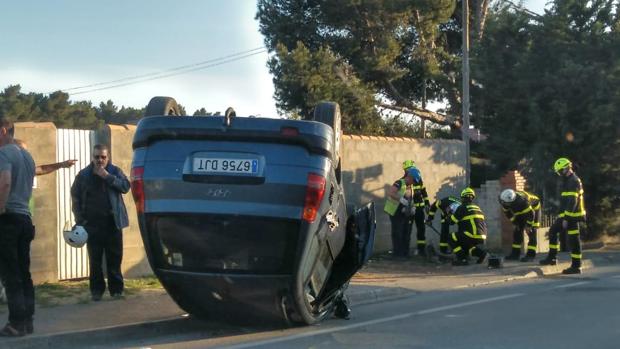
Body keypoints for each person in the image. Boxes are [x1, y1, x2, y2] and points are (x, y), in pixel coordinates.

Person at [71, 144, 130, 300]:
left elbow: (125, 186)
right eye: (97, 157)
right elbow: (75, 197)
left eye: (103, 157)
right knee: (95, 261)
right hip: (92, 224)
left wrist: (107, 177)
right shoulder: (84, 175)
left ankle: (116, 290)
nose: (100, 160)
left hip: (112, 223)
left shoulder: (115, 171)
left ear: (108, 157)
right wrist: (80, 220)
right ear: (92, 157)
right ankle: (96, 292)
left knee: (115, 259)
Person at [0, 118, 36, 337]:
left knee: (10, 273)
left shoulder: (3, 153)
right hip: (24, 219)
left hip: (8, 219)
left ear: (3, 131)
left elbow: (4, 182)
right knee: (24, 272)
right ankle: (27, 321)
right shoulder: (27, 156)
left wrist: (0, 208)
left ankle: (15, 323)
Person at [539, 158, 586, 274]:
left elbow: (572, 201)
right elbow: (565, 200)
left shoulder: (573, 181)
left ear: (566, 168)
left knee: (571, 239)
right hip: (568, 215)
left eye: (560, 171)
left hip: (572, 216)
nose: (559, 174)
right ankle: (554, 259)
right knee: (558, 233)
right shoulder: (568, 180)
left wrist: (566, 218)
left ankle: (574, 265)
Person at [499, 189, 541, 262]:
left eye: (506, 203)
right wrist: (515, 223)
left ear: (511, 201)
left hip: (534, 209)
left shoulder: (522, 202)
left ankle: (530, 255)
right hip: (521, 211)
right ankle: (515, 254)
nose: (504, 204)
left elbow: (531, 214)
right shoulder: (503, 200)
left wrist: (528, 226)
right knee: (517, 231)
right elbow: (508, 213)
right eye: (503, 202)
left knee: (532, 232)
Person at [384, 167, 417, 258]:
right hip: (395, 212)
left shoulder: (410, 186)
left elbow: (410, 198)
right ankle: (398, 254)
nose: (414, 183)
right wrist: (402, 200)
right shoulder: (399, 182)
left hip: (405, 213)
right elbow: (391, 193)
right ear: (409, 177)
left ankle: (405, 253)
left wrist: (412, 207)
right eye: (414, 180)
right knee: (398, 232)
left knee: (406, 232)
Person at [449, 187, 488, 266]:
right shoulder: (477, 208)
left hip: (471, 235)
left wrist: (449, 214)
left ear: (463, 197)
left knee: (450, 237)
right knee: (467, 245)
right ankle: (482, 254)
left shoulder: (462, 207)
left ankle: (462, 259)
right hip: (482, 236)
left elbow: (451, 222)